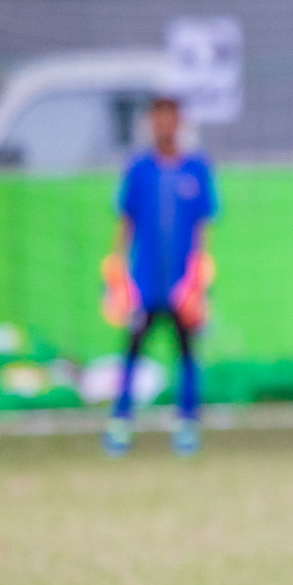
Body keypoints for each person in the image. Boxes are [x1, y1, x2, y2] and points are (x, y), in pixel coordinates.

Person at [102, 95, 217, 456]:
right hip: (145, 282)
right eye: (157, 118)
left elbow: (203, 226)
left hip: (182, 285)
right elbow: (125, 221)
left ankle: (186, 426)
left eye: (169, 117)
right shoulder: (139, 170)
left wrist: (198, 276)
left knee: (186, 354)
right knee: (132, 352)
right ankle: (121, 423)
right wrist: (116, 269)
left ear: (179, 122)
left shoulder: (196, 170)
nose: (163, 124)